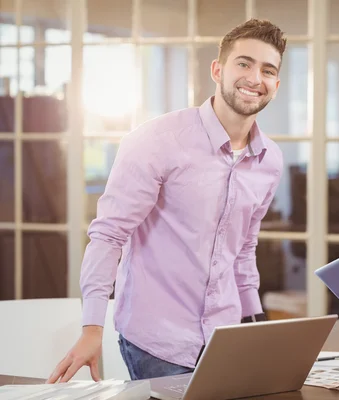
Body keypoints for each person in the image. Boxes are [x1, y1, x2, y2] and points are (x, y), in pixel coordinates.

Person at [47, 18, 286, 383]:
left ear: (276, 84)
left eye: (268, 70)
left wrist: (255, 321)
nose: (255, 78)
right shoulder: (157, 140)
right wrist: (92, 328)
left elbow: (243, 249)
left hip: (226, 337)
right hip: (157, 341)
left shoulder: (270, 160)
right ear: (218, 70)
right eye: (244, 63)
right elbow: (108, 236)